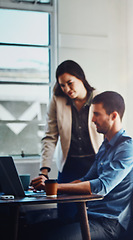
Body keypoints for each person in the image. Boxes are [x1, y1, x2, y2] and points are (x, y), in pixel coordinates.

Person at [28, 91, 133, 240]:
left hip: (109, 224)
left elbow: (101, 187)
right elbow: (85, 179)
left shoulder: (127, 148)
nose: (92, 120)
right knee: (31, 230)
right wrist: (44, 190)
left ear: (113, 116)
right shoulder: (105, 146)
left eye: (96, 114)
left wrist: (54, 187)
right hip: (89, 217)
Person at [31, 60, 103, 219]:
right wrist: (44, 172)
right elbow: (50, 137)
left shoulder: (99, 99)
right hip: (69, 167)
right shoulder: (57, 100)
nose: (67, 89)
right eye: (62, 85)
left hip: (95, 166)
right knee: (65, 217)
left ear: (81, 78)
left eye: (70, 83)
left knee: (92, 216)